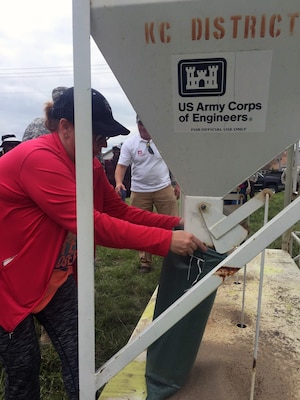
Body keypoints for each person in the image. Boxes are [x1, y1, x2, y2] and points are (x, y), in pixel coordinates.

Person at [0, 87, 206, 400]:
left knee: (80, 356)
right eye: (99, 134)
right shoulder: (39, 159)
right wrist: (166, 241)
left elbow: (119, 213)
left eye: (106, 136)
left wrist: (175, 223)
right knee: (24, 366)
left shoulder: (90, 165)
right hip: (7, 280)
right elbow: (93, 225)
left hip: (51, 275)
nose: (105, 143)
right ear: (65, 127)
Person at [115, 116, 181, 273]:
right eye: (140, 124)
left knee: (172, 222)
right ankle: (145, 261)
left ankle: (174, 257)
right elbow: (121, 166)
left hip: (163, 188)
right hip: (139, 191)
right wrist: (118, 182)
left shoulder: (164, 141)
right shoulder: (130, 144)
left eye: (146, 124)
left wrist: (177, 184)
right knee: (141, 228)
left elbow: (175, 163)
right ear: (137, 124)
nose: (143, 128)